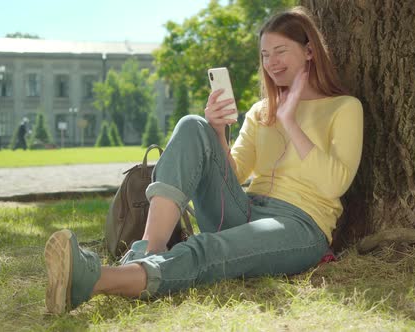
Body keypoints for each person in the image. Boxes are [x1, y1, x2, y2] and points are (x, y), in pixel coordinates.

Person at [43, 6, 364, 314]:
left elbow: (335, 183)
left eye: (280, 51)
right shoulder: (259, 111)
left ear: (309, 51)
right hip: (245, 207)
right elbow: (235, 174)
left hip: (299, 225)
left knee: (211, 250)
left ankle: (93, 280)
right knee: (192, 125)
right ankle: (147, 250)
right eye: (265, 55)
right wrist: (218, 132)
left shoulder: (343, 108)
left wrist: (291, 121)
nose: (272, 63)